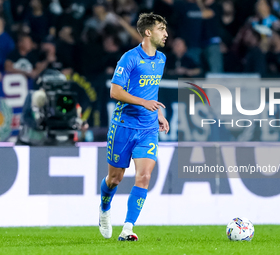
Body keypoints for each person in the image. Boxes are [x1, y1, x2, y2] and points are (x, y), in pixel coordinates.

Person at [99, 12, 169, 241]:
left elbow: (151, 90)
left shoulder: (161, 59)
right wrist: (144, 103)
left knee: (144, 176)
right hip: (123, 126)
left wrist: (157, 112)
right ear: (148, 32)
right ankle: (105, 207)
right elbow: (115, 91)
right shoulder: (129, 58)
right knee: (115, 179)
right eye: (161, 29)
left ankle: (128, 228)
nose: (166, 34)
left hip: (148, 128)